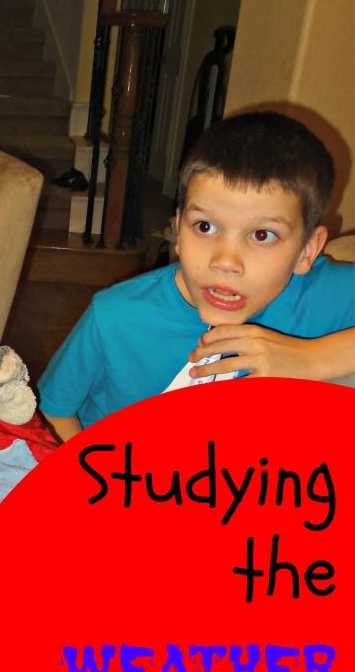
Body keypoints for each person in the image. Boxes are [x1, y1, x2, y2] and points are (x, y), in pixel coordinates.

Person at [38, 110, 355, 442]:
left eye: (262, 235)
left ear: (306, 250)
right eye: (205, 226)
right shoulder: (115, 316)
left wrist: (313, 359)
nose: (226, 261)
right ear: (178, 229)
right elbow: (56, 408)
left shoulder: (319, 294)